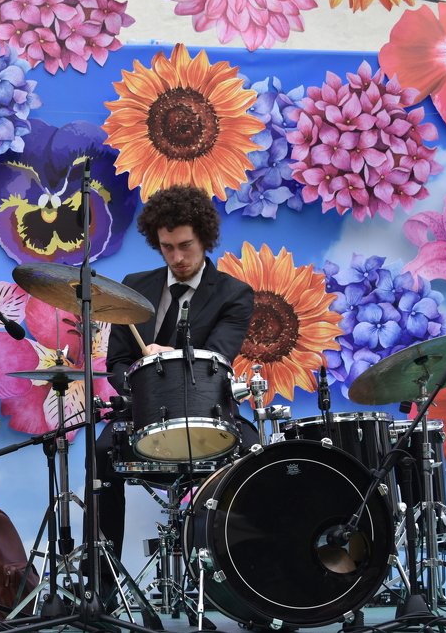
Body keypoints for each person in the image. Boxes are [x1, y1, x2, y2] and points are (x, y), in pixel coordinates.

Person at [94, 184, 254, 595]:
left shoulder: (234, 294)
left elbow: (218, 356)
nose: (178, 258)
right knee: (100, 453)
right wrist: (138, 376)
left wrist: (173, 356)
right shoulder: (133, 288)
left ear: (204, 238)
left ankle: (249, 582)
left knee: (257, 454)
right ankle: (103, 584)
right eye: (167, 248)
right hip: (142, 414)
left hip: (210, 413)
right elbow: (116, 363)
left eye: (186, 246)